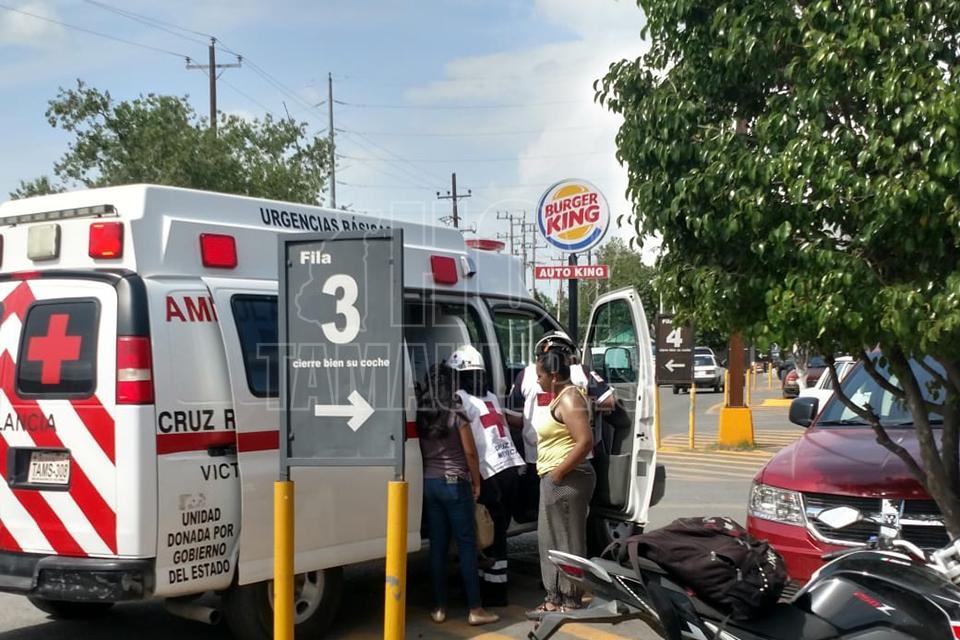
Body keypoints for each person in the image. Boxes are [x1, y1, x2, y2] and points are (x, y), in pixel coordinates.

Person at [416, 361, 499, 626]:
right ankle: (475, 609)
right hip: (455, 483)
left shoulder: (422, 411)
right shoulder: (455, 409)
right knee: (466, 546)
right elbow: (470, 452)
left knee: (438, 547)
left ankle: (439, 608)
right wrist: (476, 482)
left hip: (430, 484)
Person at [505, 330, 615, 518]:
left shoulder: (526, 374)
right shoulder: (580, 372)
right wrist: (585, 407)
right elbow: (609, 401)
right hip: (575, 458)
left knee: (546, 516)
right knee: (572, 516)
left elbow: (515, 418)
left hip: (538, 458)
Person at [447, 344, 525, 607]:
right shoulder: (490, 396)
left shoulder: (460, 398)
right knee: (497, 531)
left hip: (490, 472)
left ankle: (495, 591)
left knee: (488, 533)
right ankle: (491, 583)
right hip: (510, 467)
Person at [528, 347, 596, 615]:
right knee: (550, 540)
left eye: (540, 375)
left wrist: (558, 473)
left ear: (554, 376)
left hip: (567, 479)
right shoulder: (561, 398)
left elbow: (585, 441)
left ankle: (570, 598)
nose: (538, 381)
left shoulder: (570, 399)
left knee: (567, 541)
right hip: (554, 478)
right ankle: (554, 598)